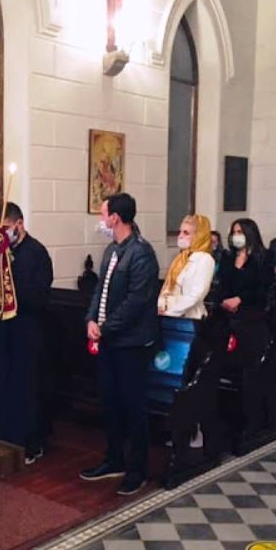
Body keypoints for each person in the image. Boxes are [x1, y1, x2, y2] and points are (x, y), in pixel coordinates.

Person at [81, 193, 160, 496]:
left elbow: (136, 302)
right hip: (110, 341)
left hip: (131, 343)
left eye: (103, 214)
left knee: (133, 406)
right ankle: (114, 459)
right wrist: (90, 319)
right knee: (110, 403)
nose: (101, 220)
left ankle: (137, 469)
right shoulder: (112, 250)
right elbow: (100, 291)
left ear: (115, 218)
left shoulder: (141, 253)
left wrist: (105, 328)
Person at [0, 203, 53, 465]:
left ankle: (31, 443)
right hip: (5, 328)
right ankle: (4, 436)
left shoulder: (37, 253)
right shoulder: (1, 253)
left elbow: (40, 294)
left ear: (19, 225)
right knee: (4, 380)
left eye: (6, 228)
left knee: (27, 386)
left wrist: (15, 289)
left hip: (28, 328)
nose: (2, 233)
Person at [158, 214, 215, 319]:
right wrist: (161, 305)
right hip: (169, 315)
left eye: (186, 233)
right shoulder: (180, 258)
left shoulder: (205, 259)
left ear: (198, 236)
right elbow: (168, 286)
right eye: (180, 232)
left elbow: (196, 294)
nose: (180, 236)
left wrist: (171, 312)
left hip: (191, 318)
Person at [219, 218, 274, 316]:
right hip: (226, 308)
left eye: (239, 232)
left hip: (251, 309)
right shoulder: (228, 256)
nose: (236, 236)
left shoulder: (264, 257)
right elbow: (223, 282)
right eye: (234, 232)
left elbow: (263, 286)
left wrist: (240, 299)